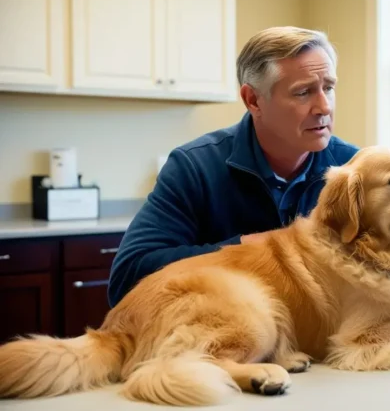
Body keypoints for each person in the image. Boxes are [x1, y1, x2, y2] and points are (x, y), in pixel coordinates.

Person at [108, 26, 358, 307]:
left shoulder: (353, 168)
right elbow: (128, 278)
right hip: (227, 334)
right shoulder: (194, 166)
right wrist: (251, 249)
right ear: (253, 100)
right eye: (303, 92)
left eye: (329, 88)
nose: (324, 107)